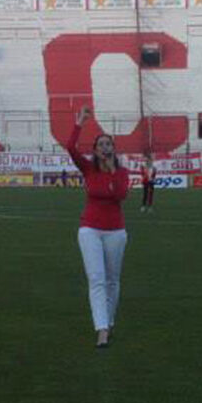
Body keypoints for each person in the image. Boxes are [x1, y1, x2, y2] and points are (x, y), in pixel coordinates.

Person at [66, 106, 130, 349]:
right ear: (95, 150)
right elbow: (71, 148)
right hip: (90, 229)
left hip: (116, 231)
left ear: (113, 149)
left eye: (108, 144)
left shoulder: (121, 172)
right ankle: (101, 329)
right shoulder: (88, 169)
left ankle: (109, 320)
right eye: (100, 144)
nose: (105, 147)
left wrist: (112, 171)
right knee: (97, 279)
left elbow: (121, 194)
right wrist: (79, 123)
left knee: (113, 280)